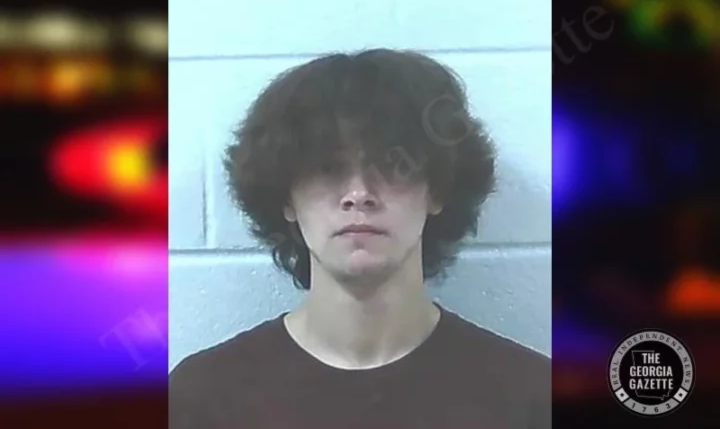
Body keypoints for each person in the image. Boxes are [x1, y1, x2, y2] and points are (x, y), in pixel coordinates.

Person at [169, 48, 550, 428]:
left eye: (392, 166)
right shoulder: (203, 398)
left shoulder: (530, 396)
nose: (359, 193)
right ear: (286, 199)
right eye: (328, 168)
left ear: (436, 191)